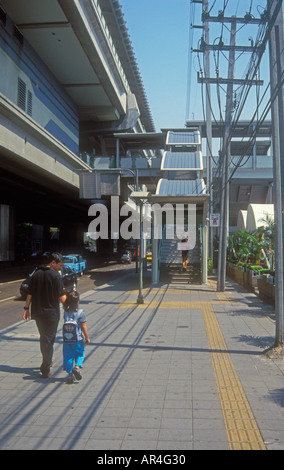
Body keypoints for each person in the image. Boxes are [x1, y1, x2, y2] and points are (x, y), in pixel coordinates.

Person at [23, 252, 66, 378]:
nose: (61, 268)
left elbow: (29, 293)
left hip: (38, 313)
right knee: (49, 339)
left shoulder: (36, 273)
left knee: (44, 338)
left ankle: (48, 360)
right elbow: (61, 295)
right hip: (51, 314)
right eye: (60, 265)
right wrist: (70, 307)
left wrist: (26, 308)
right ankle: (45, 368)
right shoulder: (55, 276)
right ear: (53, 263)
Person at [62, 290, 90, 384]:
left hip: (67, 339)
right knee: (80, 353)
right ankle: (77, 367)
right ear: (78, 301)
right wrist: (87, 337)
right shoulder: (81, 313)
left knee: (68, 356)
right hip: (78, 339)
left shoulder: (65, 312)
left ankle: (70, 375)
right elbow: (83, 326)